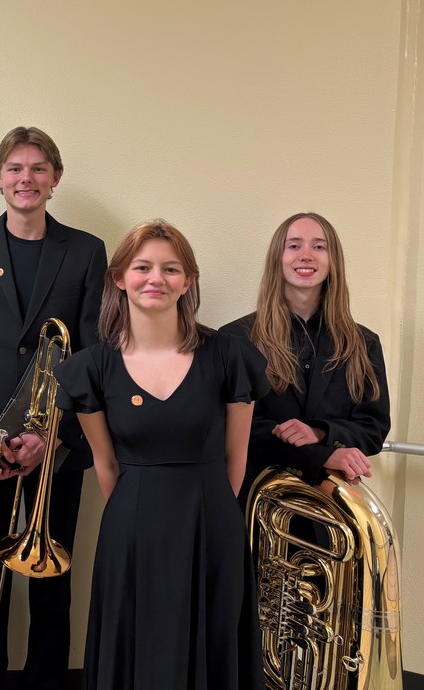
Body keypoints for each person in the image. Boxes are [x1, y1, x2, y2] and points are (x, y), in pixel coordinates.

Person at [54, 220, 267, 690]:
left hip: (212, 526)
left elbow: (237, 458)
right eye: (143, 267)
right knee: (137, 645)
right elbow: (106, 465)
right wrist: (140, 515)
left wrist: (209, 516)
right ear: (119, 278)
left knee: (213, 643)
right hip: (131, 530)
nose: (156, 278)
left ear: (187, 282)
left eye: (171, 269)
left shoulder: (230, 357)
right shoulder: (92, 367)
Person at [0, 126, 106, 690]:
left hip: (55, 445)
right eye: (14, 168)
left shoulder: (86, 251)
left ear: (55, 179)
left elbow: (90, 355)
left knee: (51, 576)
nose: (26, 179)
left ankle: (46, 679)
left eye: (38, 168)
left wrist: (54, 437)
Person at [219, 212, 390, 501]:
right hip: (252, 502)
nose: (306, 255)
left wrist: (320, 432)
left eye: (319, 246)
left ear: (332, 260)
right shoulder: (235, 338)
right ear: (278, 258)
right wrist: (322, 456)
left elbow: (374, 429)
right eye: (294, 245)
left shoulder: (365, 343)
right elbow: (232, 429)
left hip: (328, 508)